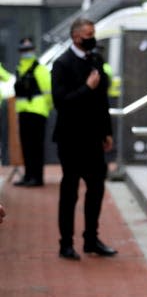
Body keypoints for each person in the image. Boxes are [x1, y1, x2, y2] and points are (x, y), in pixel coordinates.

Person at [51, 18, 117, 260]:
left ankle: (91, 239)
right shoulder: (61, 64)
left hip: (93, 138)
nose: (93, 37)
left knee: (97, 187)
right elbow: (61, 103)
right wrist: (86, 88)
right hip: (70, 139)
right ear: (76, 36)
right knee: (70, 191)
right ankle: (65, 244)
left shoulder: (96, 60)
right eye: (89, 33)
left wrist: (106, 131)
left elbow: (102, 101)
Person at [13, 37, 53, 187]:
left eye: (29, 49)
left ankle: (37, 177)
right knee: (26, 146)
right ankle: (28, 176)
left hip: (38, 112)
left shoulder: (39, 68)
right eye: (23, 50)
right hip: (23, 111)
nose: (26, 53)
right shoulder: (19, 68)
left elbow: (48, 91)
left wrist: (47, 107)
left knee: (36, 146)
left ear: (34, 50)